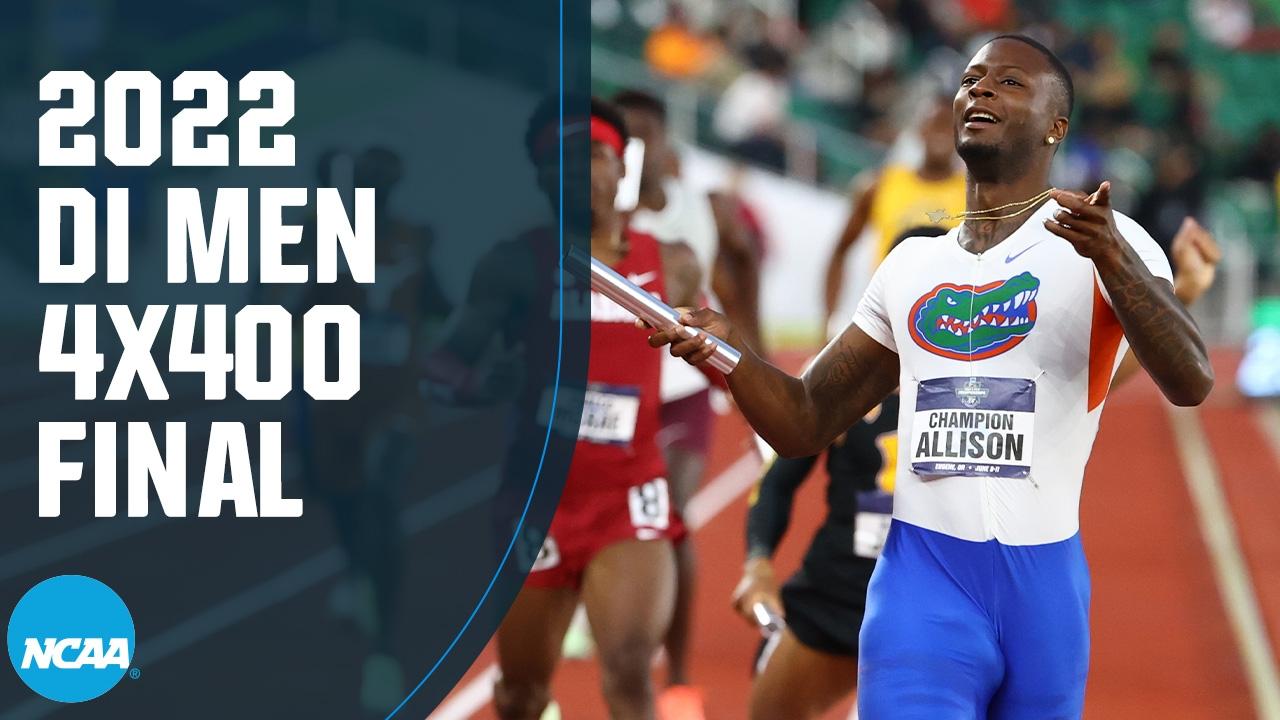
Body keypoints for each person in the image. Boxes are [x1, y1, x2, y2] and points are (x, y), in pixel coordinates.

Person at [648, 35, 1213, 718]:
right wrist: (730, 351)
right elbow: (803, 421)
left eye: (1009, 82)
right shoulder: (912, 267)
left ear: (1056, 127)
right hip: (924, 583)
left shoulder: (1108, 239)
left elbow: (1191, 381)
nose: (981, 89)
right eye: (972, 79)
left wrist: (1114, 261)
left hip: (1045, 595)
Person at [732, 217, 1221, 720]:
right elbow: (780, 471)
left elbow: (1101, 374)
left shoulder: (998, 380)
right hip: (846, 584)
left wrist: (1179, 291)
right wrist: (758, 561)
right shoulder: (846, 381)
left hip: (968, 580)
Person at [486, 98, 704, 720]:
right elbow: (449, 367)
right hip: (537, 501)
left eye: (594, 154)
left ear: (620, 165)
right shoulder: (514, 263)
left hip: (628, 496)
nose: (579, 171)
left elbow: (719, 351)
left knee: (630, 670)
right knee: (520, 694)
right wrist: (481, 381)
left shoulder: (672, 263)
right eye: (560, 159)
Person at [612, 88, 763, 720]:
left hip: (681, 387)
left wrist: (758, 366)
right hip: (617, 388)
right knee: (609, 516)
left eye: (646, 136)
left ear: (666, 142)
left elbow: (743, 269)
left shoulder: (704, 208)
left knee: (672, 516)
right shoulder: (600, 217)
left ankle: (676, 677)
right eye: (624, 140)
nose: (636, 151)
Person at [823, 97, 966, 334]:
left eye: (950, 126)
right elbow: (841, 250)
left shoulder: (976, 192)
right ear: (920, 129)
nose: (941, 133)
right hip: (887, 317)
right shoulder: (880, 185)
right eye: (936, 123)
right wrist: (830, 320)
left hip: (949, 320)